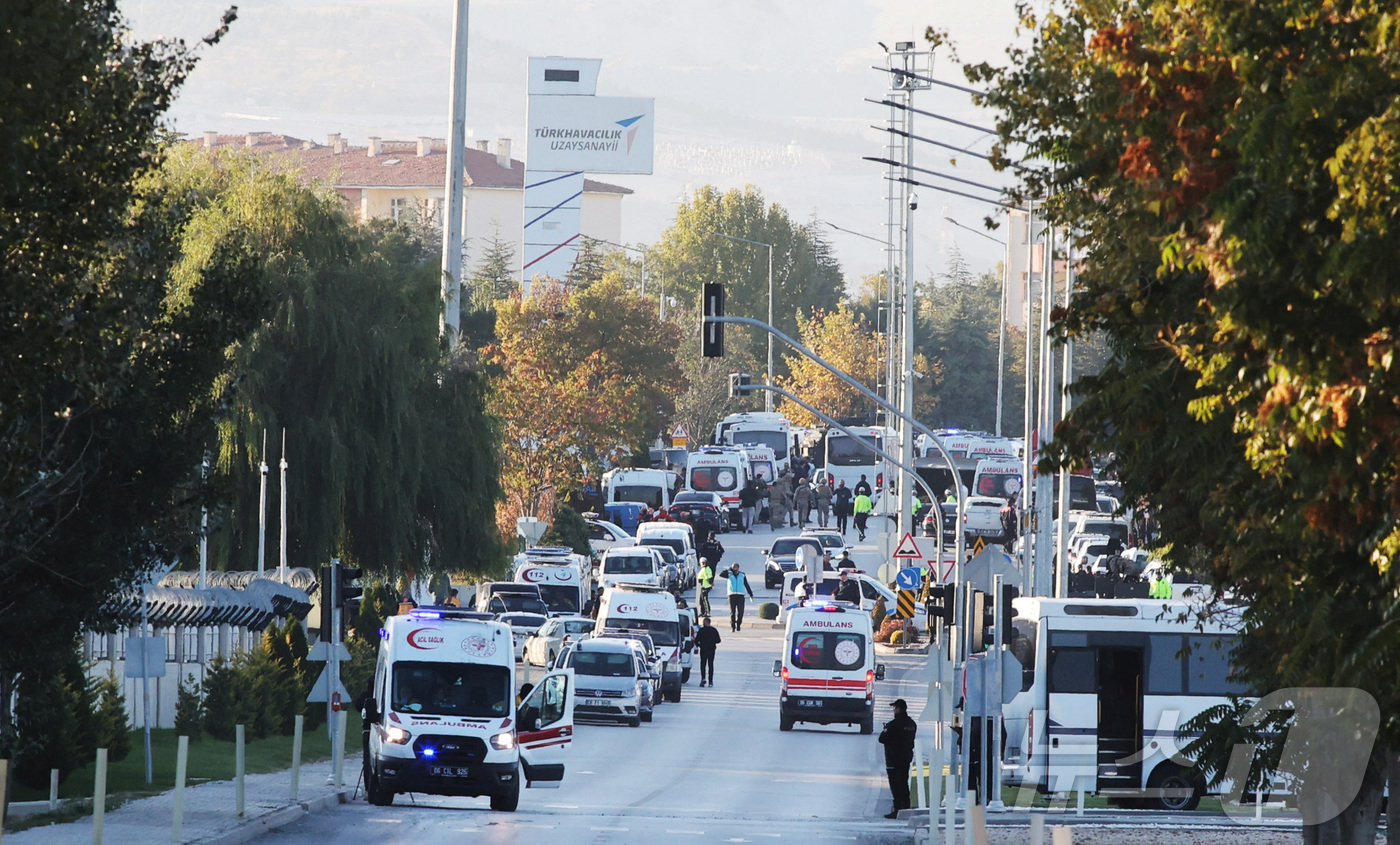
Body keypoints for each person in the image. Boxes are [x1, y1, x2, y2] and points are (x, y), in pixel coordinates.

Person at [879, 698, 918, 818]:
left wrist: (886, 730)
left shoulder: (893, 725)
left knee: (896, 785)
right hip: (906, 758)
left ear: (899, 709)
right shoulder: (911, 724)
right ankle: (905, 807)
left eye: (895, 708)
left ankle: (897, 809)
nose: (894, 710)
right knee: (904, 783)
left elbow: (882, 739)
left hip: (893, 759)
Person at [724, 562, 755, 632]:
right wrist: (728, 570)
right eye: (733, 567)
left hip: (740, 595)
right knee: (732, 612)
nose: (735, 568)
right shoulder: (729, 574)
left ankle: (738, 624)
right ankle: (733, 627)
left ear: (738, 568)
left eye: (736, 567)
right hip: (731, 595)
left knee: (741, 611)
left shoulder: (742, 575)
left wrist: (750, 594)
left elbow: (746, 584)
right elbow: (721, 575)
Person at [694, 616, 722, 687]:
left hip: (703, 649)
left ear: (704, 623)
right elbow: (718, 640)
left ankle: (703, 678)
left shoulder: (701, 630)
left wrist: (699, 645)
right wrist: (712, 641)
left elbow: (696, 640)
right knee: (711, 665)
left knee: (703, 664)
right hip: (711, 649)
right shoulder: (714, 630)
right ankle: (710, 681)